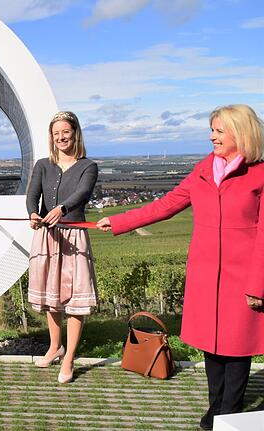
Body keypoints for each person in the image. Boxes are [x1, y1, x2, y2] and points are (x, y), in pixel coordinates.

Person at [97, 104, 264, 429]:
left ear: (240, 133)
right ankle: (216, 408)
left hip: (245, 275)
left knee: (238, 347)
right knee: (213, 347)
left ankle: (230, 414)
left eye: (218, 130)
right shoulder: (203, 169)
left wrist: (259, 284)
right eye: (212, 129)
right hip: (205, 274)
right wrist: (118, 221)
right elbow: (166, 204)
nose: (211, 135)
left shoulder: (259, 174)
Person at [26, 111, 98, 384]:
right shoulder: (43, 164)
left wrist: (62, 208)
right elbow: (33, 194)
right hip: (47, 236)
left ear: (75, 133)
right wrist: (33, 213)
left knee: (75, 300)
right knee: (51, 297)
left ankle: (69, 359)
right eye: (56, 134)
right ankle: (55, 347)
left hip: (74, 237)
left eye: (65, 132)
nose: (60, 138)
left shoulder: (88, 166)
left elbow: (82, 194)